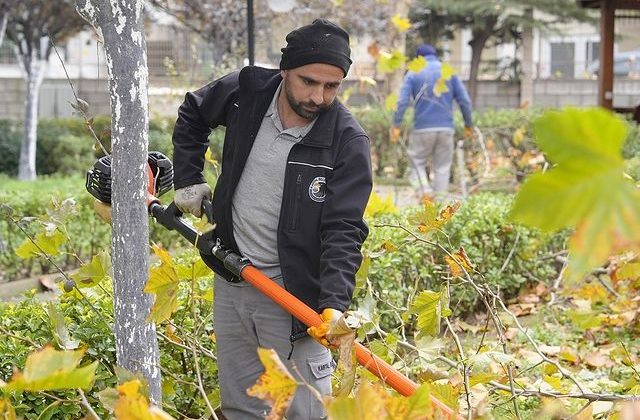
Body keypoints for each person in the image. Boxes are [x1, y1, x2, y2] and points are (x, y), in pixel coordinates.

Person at [171, 19, 372, 420]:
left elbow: (344, 230)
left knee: (306, 412)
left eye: (331, 87)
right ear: (285, 70)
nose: (318, 96)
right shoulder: (249, 91)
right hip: (233, 277)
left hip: (292, 296)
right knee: (242, 407)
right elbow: (193, 112)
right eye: (308, 82)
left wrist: (332, 304)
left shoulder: (347, 141)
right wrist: (189, 179)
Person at [391, 43, 473, 201]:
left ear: (419, 58)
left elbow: (401, 102)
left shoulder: (413, 73)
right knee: (442, 168)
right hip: (446, 128)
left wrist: (396, 125)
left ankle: (425, 194)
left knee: (416, 164)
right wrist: (468, 124)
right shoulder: (448, 72)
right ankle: (439, 205)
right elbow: (464, 101)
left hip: (422, 128)